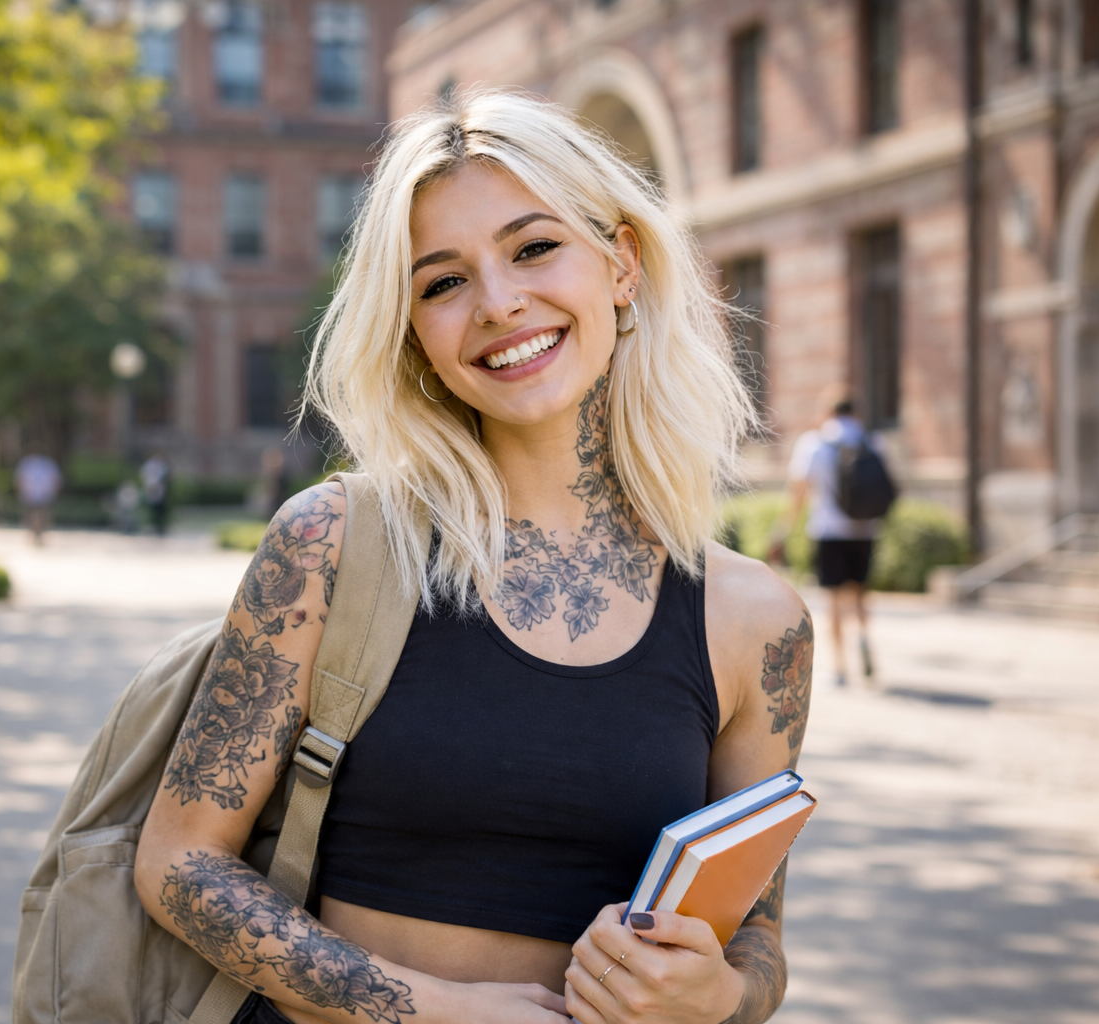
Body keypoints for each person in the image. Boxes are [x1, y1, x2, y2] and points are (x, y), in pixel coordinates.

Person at [136, 89, 814, 1024]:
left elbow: (759, 940)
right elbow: (179, 863)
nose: (498, 303)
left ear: (621, 263)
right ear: (413, 331)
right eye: (442, 282)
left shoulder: (757, 623)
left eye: (535, 248)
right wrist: (442, 1010)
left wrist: (723, 996)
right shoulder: (332, 546)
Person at [776, 393, 881, 688]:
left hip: (828, 532)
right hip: (865, 531)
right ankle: (864, 639)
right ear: (855, 412)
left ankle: (840, 668)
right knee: (860, 593)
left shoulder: (813, 444)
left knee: (833, 598)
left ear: (827, 413)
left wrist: (784, 528)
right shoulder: (872, 441)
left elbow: (798, 492)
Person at [15, 449, 62, 546]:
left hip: (42, 495)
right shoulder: (28, 463)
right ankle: (35, 534)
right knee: (32, 516)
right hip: (32, 495)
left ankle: (39, 534)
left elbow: (56, 479)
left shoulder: (46, 463)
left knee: (41, 516)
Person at [141, 453, 171, 536]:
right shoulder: (150, 465)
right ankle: (153, 525)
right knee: (152, 509)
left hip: (158, 491)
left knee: (159, 510)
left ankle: (160, 526)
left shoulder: (159, 465)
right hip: (151, 490)